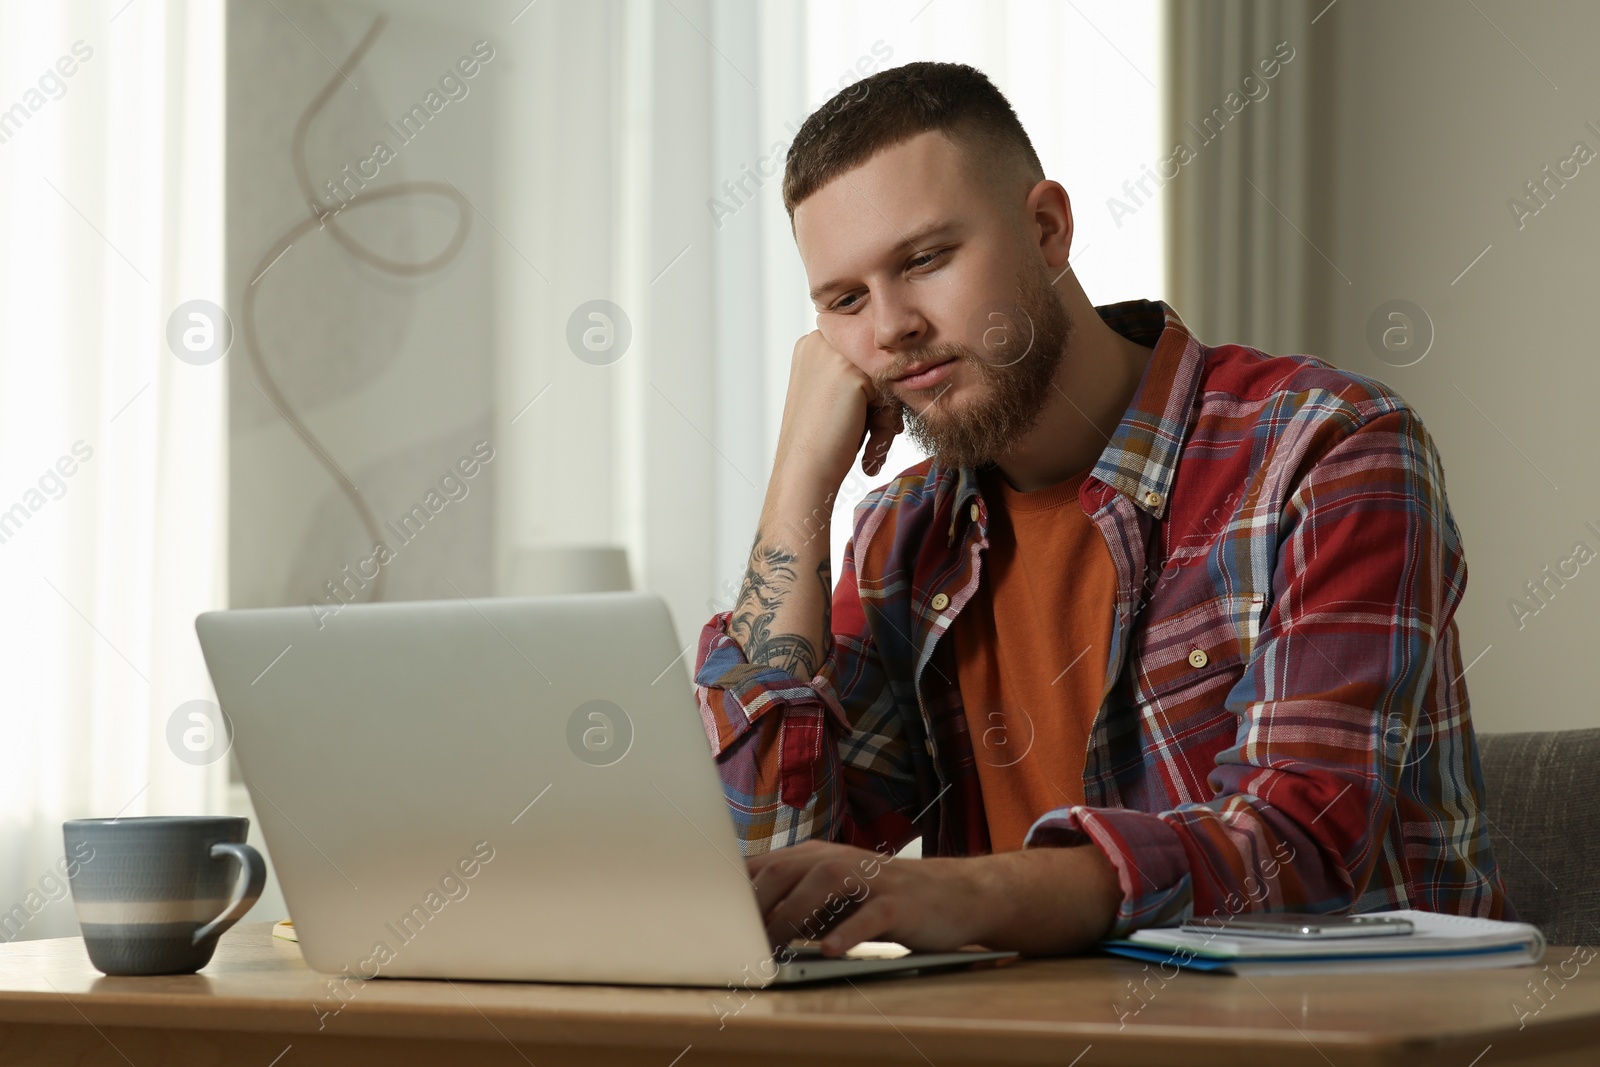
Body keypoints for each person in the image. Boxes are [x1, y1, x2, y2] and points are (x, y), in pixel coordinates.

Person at [692, 61, 1512, 959]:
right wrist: (797, 485)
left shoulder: (1326, 450)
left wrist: (957, 891)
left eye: (925, 260)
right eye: (845, 301)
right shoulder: (902, 536)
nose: (890, 328)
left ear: (1047, 229)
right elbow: (767, 875)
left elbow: (1296, 849)